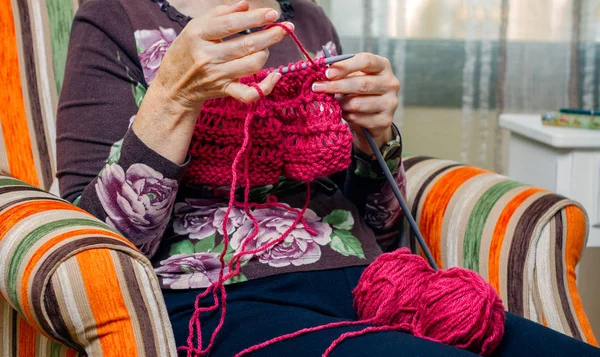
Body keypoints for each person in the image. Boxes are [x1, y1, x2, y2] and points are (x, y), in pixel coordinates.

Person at [56, 0, 600, 356]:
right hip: (219, 303)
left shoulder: (308, 21)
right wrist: (172, 98)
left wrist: (375, 137)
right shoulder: (113, 16)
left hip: (370, 286)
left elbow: (385, 230)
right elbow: (98, 247)